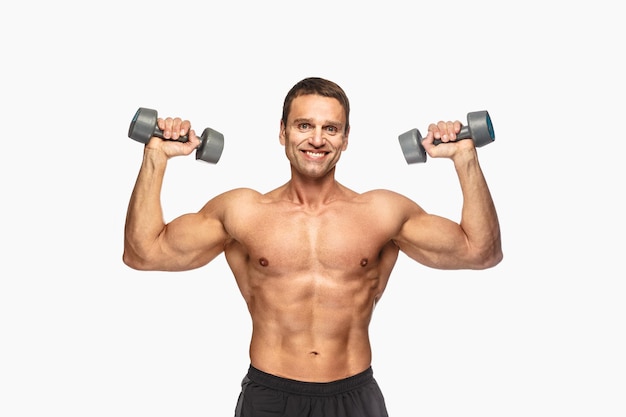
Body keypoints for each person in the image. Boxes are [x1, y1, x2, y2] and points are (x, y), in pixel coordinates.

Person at [123, 77, 502, 417]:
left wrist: (464, 156)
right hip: (270, 396)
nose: (317, 140)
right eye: (305, 125)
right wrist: (155, 156)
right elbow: (144, 253)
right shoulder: (243, 211)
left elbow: (480, 252)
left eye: (330, 128)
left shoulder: (382, 212)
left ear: (346, 137)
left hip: (354, 396)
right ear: (283, 131)